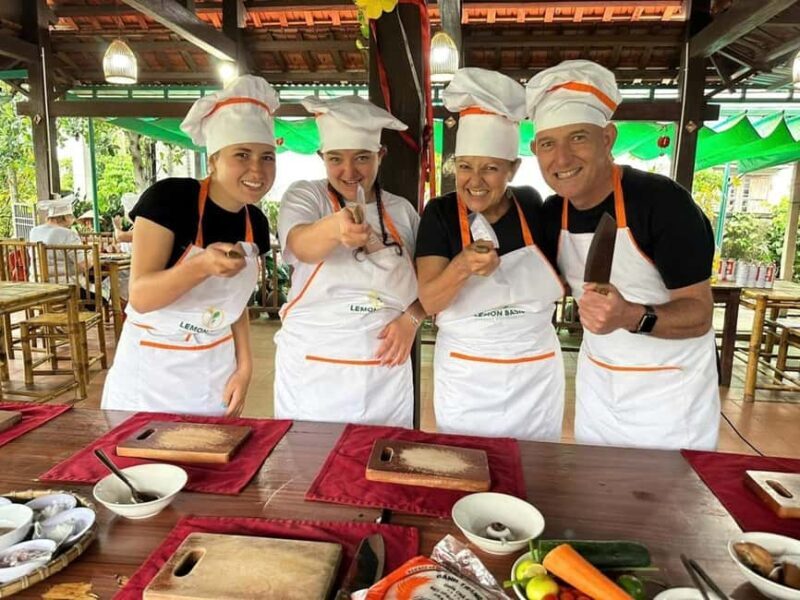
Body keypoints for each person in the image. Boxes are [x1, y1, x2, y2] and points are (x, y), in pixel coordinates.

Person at [527, 59, 720, 450]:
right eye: (548, 143)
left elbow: (698, 313)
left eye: (577, 138)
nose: (561, 159)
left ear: (608, 138)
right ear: (534, 151)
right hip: (600, 390)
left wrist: (631, 315)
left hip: (671, 398)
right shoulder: (552, 214)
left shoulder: (662, 203)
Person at [101, 75, 275, 417]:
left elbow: (233, 304)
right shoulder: (170, 199)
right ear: (213, 160)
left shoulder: (256, 222)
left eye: (267, 157)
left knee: (213, 464)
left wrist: (244, 367)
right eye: (242, 154)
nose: (257, 169)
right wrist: (200, 266)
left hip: (214, 370)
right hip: (153, 375)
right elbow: (141, 295)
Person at [416, 68, 565, 441]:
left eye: (490, 168)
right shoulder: (440, 213)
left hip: (534, 376)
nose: (475, 181)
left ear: (512, 169)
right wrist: (462, 265)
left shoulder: (533, 205)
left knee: (535, 471)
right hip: (468, 378)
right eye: (465, 166)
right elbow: (430, 298)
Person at [274, 95, 424, 427]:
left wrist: (411, 321)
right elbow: (300, 244)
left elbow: (426, 285)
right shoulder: (306, 196)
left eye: (362, 158)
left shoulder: (402, 211)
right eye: (335, 159)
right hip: (314, 370)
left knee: (383, 465)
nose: (349, 171)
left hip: (383, 369)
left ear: (380, 155)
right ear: (321, 157)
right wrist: (335, 227)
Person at [29, 196, 81, 280]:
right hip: (64, 285)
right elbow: (82, 264)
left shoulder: (34, 231)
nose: (73, 219)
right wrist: (92, 256)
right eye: (71, 216)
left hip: (36, 281)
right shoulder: (68, 233)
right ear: (65, 217)